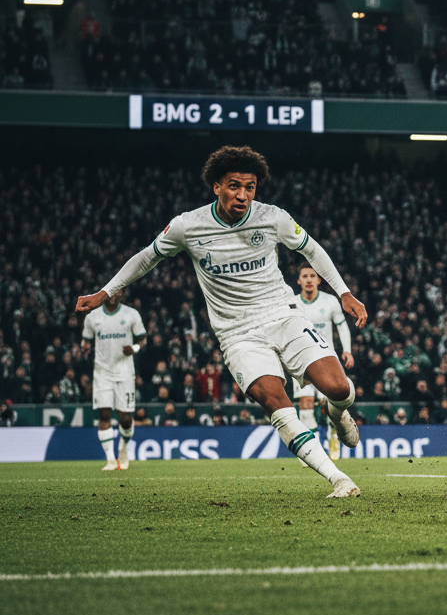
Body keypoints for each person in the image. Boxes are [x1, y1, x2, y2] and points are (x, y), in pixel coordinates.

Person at [76, 145, 367, 499]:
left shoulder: (273, 217)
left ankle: (337, 414)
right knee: (276, 401)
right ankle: (338, 479)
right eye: (234, 186)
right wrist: (105, 292)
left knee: (337, 388)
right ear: (217, 187)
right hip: (237, 333)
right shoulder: (188, 226)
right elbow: (146, 258)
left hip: (283, 315)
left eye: (250, 187)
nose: (242, 195)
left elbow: (312, 249)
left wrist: (344, 293)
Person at [293, 262, 355, 460]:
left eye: (313, 276)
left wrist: (347, 350)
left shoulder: (330, 302)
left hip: (325, 359)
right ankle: (311, 451)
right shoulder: (292, 303)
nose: (309, 279)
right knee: (305, 403)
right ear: (298, 281)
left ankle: (334, 435)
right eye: (305, 276)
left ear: (319, 280)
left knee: (327, 404)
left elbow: (342, 326)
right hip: (301, 360)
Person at [81, 290, 146, 470]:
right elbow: (85, 341)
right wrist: (84, 348)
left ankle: (123, 448)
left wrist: (134, 348)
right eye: (110, 293)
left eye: (117, 293)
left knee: (125, 418)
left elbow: (143, 340)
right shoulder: (93, 316)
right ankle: (110, 459)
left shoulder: (131, 314)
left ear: (122, 295)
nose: (113, 296)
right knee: (104, 414)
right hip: (102, 372)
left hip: (125, 372)